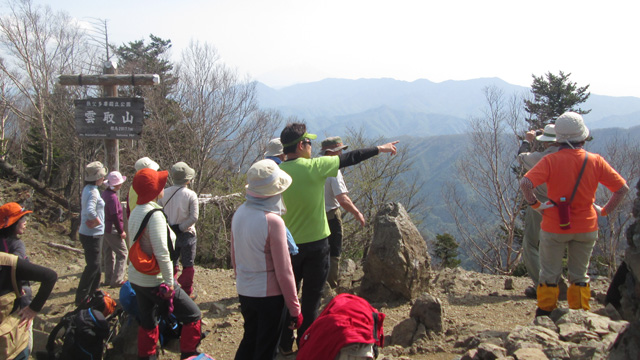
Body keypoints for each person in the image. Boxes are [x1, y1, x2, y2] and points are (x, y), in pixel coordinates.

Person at [278, 122, 398, 353]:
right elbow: (352, 157)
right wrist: (380, 149)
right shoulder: (317, 167)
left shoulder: (277, 172)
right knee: (311, 301)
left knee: (287, 298)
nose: (312, 146)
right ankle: (306, 347)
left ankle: (283, 345)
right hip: (317, 246)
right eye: (309, 142)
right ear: (301, 145)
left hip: (287, 247)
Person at [520, 112, 629, 317]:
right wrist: (604, 210)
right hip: (587, 226)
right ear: (582, 137)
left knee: (549, 274)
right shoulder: (595, 161)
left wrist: (536, 205)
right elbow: (622, 189)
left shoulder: (551, 160)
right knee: (579, 275)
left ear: (559, 138)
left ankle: (545, 315)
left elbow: (526, 183)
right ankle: (579, 317)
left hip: (554, 225)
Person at [231, 159, 302, 360]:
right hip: (269, 296)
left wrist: (243, 282)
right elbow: (285, 271)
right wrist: (295, 308)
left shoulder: (240, 213)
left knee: (250, 340)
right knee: (266, 348)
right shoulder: (273, 221)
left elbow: (234, 258)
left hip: (245, 290)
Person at [128, 168, 202, 360]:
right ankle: (189, 355)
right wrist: (169, 284)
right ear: (154, 190)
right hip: (156, 281)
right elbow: (163, 253)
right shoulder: (155, 215)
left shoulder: (136, 211)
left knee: (148, 322)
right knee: (193, 315)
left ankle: (147, 356)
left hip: (137, 278)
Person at [0, 204, 58, 360]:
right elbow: (50, 276)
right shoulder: (15, 246)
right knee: (23, 348)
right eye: (22, 218)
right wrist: (33, 308)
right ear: (11, 223)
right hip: (15, 311)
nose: (25, 222)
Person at [516, 125, 558, 298]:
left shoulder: (543, 157)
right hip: (568, 205)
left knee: (531, 243)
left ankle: (542, 285)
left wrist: (528, 140)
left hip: (541, 204)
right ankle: (561, 283)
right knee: (558, 243)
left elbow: (521, 157)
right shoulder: (571, 156)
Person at [319, 136, 365, 288]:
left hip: (314, 216)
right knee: (333, 252)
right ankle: (330, 286)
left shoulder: (313, 165)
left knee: (318, 251)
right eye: (339, 151)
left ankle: (318, 283)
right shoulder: (334, 172)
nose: (341, 155)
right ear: (331, 152)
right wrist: (357, 213)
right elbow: (343, 199)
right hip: (331, 216)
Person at [158, 162, 199, 298]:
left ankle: (171, 289)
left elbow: (158, 212)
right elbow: (194, 217)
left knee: (171, 261)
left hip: (169, 233)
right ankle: (187, 291)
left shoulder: (164, 193)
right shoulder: (191, 195)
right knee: (188, 264)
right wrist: (181, 228)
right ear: (188, 179)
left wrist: (170, 227)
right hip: (187, 233)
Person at [75, 161, 107, 306]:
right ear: (97, 177)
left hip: (88, 233)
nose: (103, 179)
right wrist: (97, 221)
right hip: (92, 234)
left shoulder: (88, 188)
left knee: (96, 265)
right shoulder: (93, 191)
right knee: (93, 265)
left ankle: (93, 291)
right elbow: (89, 210)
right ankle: (82, 296)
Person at [101, 171, 128, 288]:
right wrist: (121, 230)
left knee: (108, 253)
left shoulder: (104, 194)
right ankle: (117, 279)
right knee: (123, 253)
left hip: (104, 228)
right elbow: (115, 215)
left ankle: (108, 278)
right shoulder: (112, 197)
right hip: (112, 228)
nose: (121, 185)